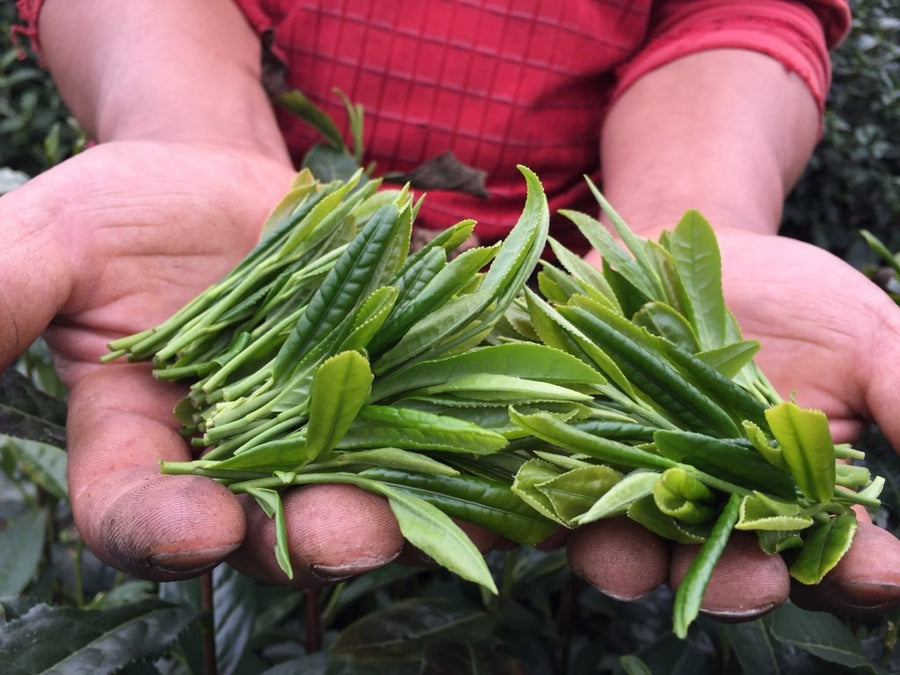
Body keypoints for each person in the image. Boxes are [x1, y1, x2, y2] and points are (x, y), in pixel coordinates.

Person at [5, 0, 898, 619]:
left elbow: (733, 14)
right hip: (274, 227)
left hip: (545, 309)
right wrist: (182, 125)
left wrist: (700, 203)